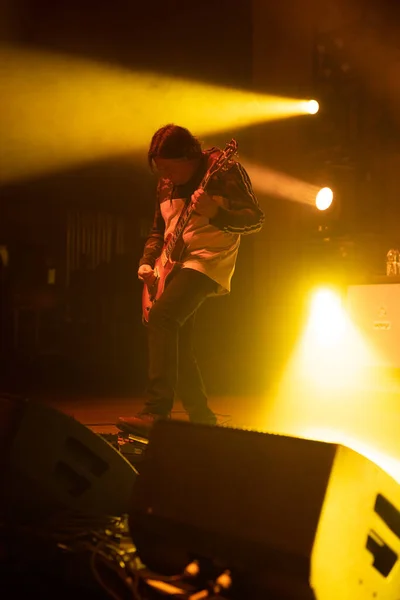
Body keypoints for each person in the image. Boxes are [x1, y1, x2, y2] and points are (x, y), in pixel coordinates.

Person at [117, 124, 264, 436]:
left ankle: (156, 412)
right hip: (173, 265)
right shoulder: (164, 186)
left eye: (169, 168)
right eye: (161, 170)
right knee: (177, 343)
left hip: (209, 260)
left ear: (188, 157)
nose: (166, 176)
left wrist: (215, 214)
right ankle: (202, 419)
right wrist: (147, 263)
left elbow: (254, 218)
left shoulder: (223, 171)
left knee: (162, 318)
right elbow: (159, 231)